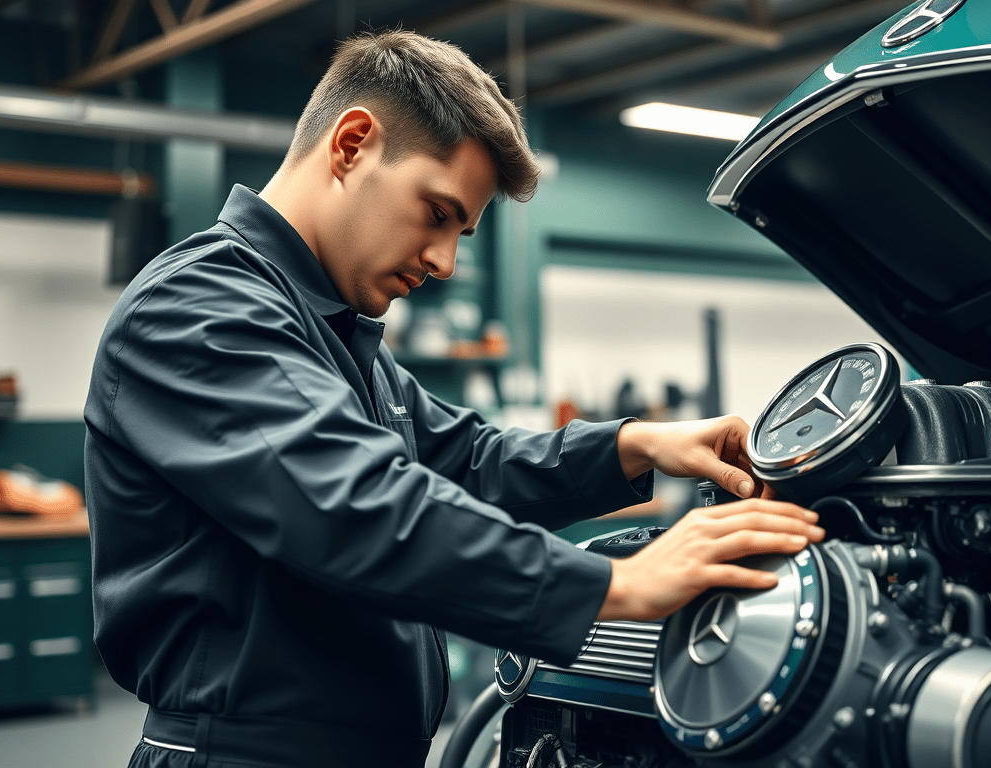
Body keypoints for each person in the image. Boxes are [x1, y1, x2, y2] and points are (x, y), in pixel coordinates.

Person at [83, 30, 823, 768]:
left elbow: (465, 461)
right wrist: (616, 585)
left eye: (461, 232)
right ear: (351, 145)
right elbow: (356, 505)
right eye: (437, 214)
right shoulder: (200, 307)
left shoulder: (331, 332)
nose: (443, 260)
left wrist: (635, 446)